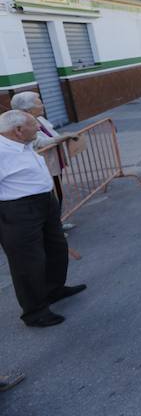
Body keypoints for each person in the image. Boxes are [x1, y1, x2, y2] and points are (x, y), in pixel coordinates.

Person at [0, 110, 87, 327]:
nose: (38, 127)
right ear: (18, 130)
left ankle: (53, 289)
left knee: (56, 248)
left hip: (44, 203)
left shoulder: (24, 142)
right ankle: (34, 311)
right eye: (33, 125)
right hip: (18, 209)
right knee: (27, 262)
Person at [10, 92, 78, 204]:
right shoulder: (23, 124)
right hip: (44, 165)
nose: (43, 106)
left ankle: (57, 220)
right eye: (39, 104)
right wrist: (64, 137)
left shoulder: (40, 119)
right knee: (51, 197)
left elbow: (52, 134)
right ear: (28, 109)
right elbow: (41, 143)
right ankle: (55, 221)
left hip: (54, 161)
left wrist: (62, 136)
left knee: (58, 193)